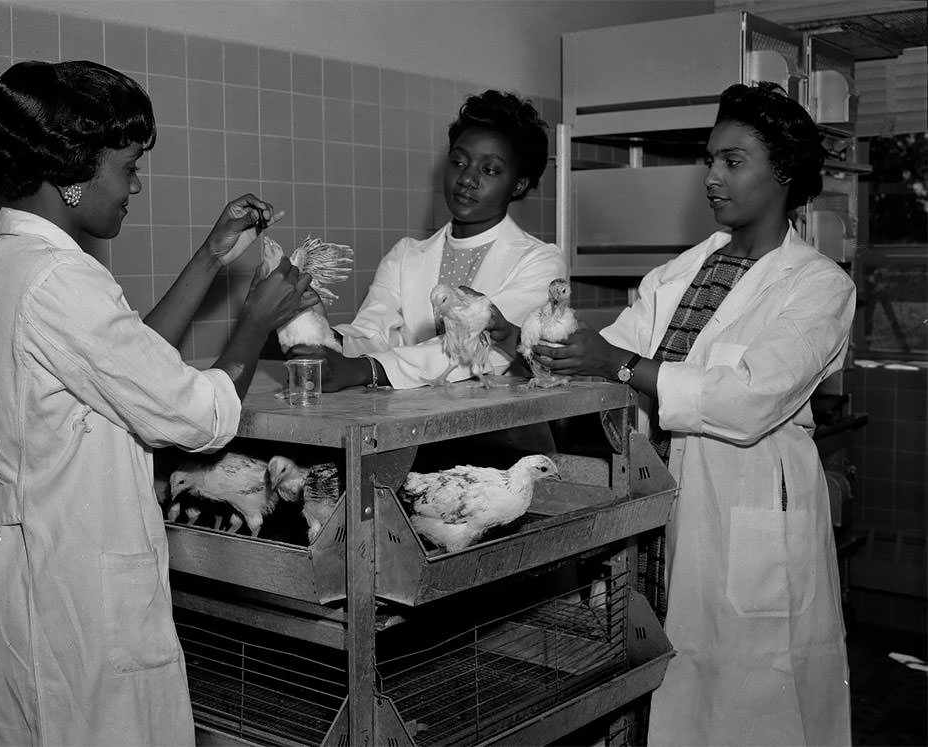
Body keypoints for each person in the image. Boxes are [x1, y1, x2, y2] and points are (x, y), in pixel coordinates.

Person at [0, 60, 313, 746]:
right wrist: (257, 319)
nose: (135, 186)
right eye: (128, 167)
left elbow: (122, 363)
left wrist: (210, 255)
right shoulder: (63, 281)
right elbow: (197, 414)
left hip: (7, 587)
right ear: (72, 173)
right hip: (70, 600)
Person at [533, 82, 855, 746]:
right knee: (675, 694)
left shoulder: (819, 286)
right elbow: (614, 348)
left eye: (732, 161)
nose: (711, 176)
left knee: (761, 702)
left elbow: (745, 401)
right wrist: (540, 347)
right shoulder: (683, 272)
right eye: (710, 159)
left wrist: (617, 364)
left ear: (785, 173)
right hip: (669, 511)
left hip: (752, 515)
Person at [292, 89, 566, 395]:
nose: (467, 179)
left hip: (504, 436)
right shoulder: (406, 255)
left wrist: (364, 369)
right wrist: (317, 333)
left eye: (489, 170)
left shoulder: (540, 261)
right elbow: (373, 333)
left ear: (519, 184)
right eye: (458, 162)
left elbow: (485, 351)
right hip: (417, 427)